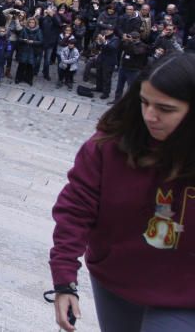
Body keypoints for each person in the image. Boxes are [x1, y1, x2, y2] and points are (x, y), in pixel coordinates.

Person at [48, 53, 195, 332]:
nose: (150, 115)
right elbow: (76, 207)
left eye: (165, 108)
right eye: (145, 102)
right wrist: (64, 279)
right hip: (117, 278)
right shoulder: (110, 144)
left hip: (185, 293)